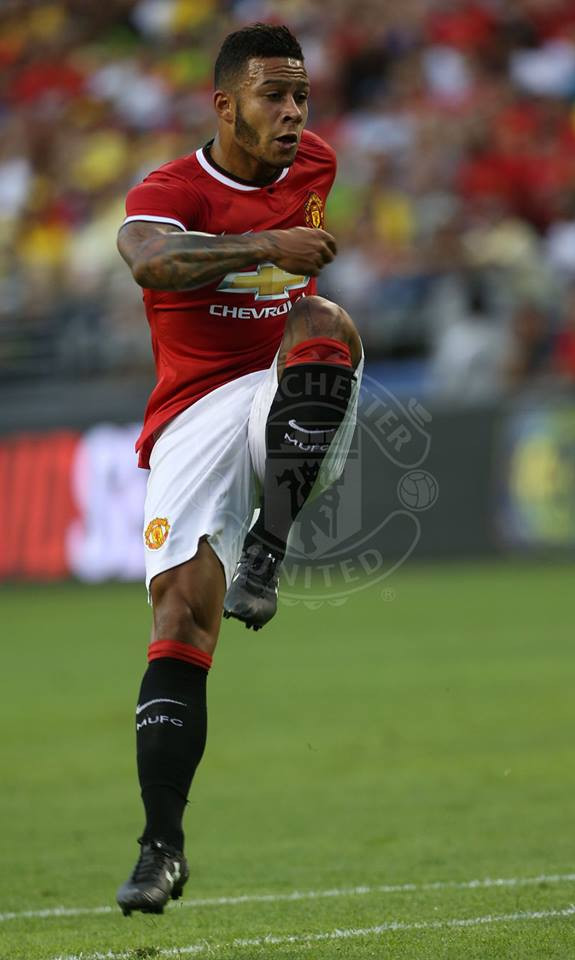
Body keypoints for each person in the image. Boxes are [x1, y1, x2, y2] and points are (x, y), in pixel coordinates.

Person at [114, 23, 363, 916]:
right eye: (274, 96)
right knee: (181, 616)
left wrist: (289, 261)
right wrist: (263, 248)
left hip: (288, 393)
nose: (294, 113)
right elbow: (149, 261)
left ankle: (269, 547)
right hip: (192, 414)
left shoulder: (316, 166)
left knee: (325, 321)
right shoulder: (171, 191)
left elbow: (305, 289)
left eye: (301, 96)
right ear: (225, 105)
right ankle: (161, 849)